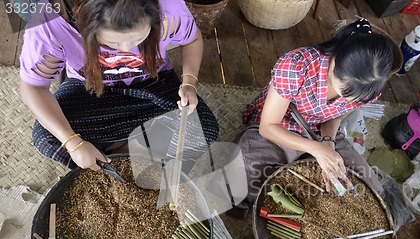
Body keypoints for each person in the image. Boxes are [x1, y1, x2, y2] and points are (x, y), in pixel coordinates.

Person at [222, 18, 394, 219]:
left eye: (352, 99)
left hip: (322, 130)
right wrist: (315, 148)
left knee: (366, 186)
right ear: (336, 62)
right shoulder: (296, 66)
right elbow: (268, 127)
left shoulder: (367, 90)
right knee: (244, 172)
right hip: (283, 124)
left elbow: (335, 115)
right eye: (343, 91)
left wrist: (328, 143)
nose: (345, 100)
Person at [19, 0, 219, 171]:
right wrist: (73, 143)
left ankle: (112, 156)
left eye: (139, 39)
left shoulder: (168, 7)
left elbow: (192, 39)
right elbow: (33, 87)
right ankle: (134, 152)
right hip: (88, 91)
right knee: (46, 136)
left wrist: (189, 82)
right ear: (86, 23)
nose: (127, 50)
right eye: (112, 43)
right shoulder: (48, 23)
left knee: (204, 127)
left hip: (153, 83)